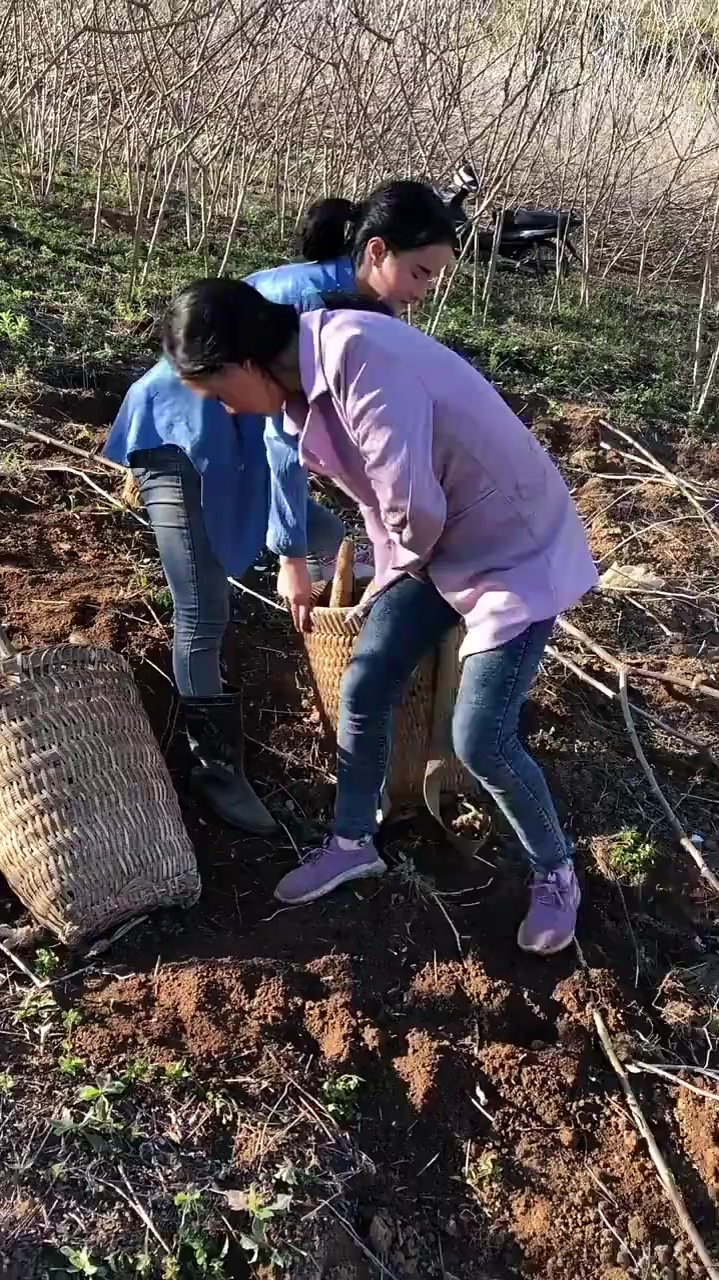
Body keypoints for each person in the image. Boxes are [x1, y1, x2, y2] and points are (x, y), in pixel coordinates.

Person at [160, 278, 598, 955]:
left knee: (482, 737)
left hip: (510, 548)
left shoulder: (359, 355)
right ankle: (350, 841)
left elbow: (412, 507)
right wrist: (350, 562)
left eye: (219, 395)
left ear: (243, 362)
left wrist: (383, 576)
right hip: (440, 545)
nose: (228, 411)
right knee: (366, 682)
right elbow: (378, 499)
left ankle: (556, 871)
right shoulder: (297, 390)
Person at [104, 181, 457, 837]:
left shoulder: (359, 306)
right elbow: (283, 441)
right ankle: (215, 770)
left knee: (333, 542)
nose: (423, 289)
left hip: (241, 443)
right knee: (204, 608)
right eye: (418, 272)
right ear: (375, 252)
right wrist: (289, 555)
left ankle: (327, 673)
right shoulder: (308, 305)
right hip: (183, 436)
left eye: (433, 276)